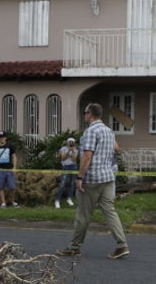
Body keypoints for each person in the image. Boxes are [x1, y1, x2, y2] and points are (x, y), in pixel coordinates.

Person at [56, 103, 130, 259]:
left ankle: (74, 247)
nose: (84, 115)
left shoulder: (91, 131)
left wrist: (80, 177)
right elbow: (116, 148)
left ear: (90, 114)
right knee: (110, 211)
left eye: (85, 112)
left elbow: (87, 156)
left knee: (83, 214)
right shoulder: (109, 131)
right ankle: (122, 245)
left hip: (92, 178)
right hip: (108, 177)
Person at [0, 131, 19, 208]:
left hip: (9, 169)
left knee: (12, 187)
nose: (1, 139)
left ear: (5, 138)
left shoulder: (10, 146)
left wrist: (14, 167)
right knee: (0, 186)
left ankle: (12, 201)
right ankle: (3, 202)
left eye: (2, 137)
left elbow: (14, 156)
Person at [55, 137, 78, 208]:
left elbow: (74, 160)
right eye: (70, 142)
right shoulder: (63, 149)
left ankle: (69, 198)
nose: (71, 143)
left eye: (72, 142)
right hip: (65, 166)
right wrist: (68, 151)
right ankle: (57, 200)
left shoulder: (76, 150)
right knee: (63, 183)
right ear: (67, 142)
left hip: (73, 166)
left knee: (72, 183)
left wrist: (73, 151)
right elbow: (63, 158)